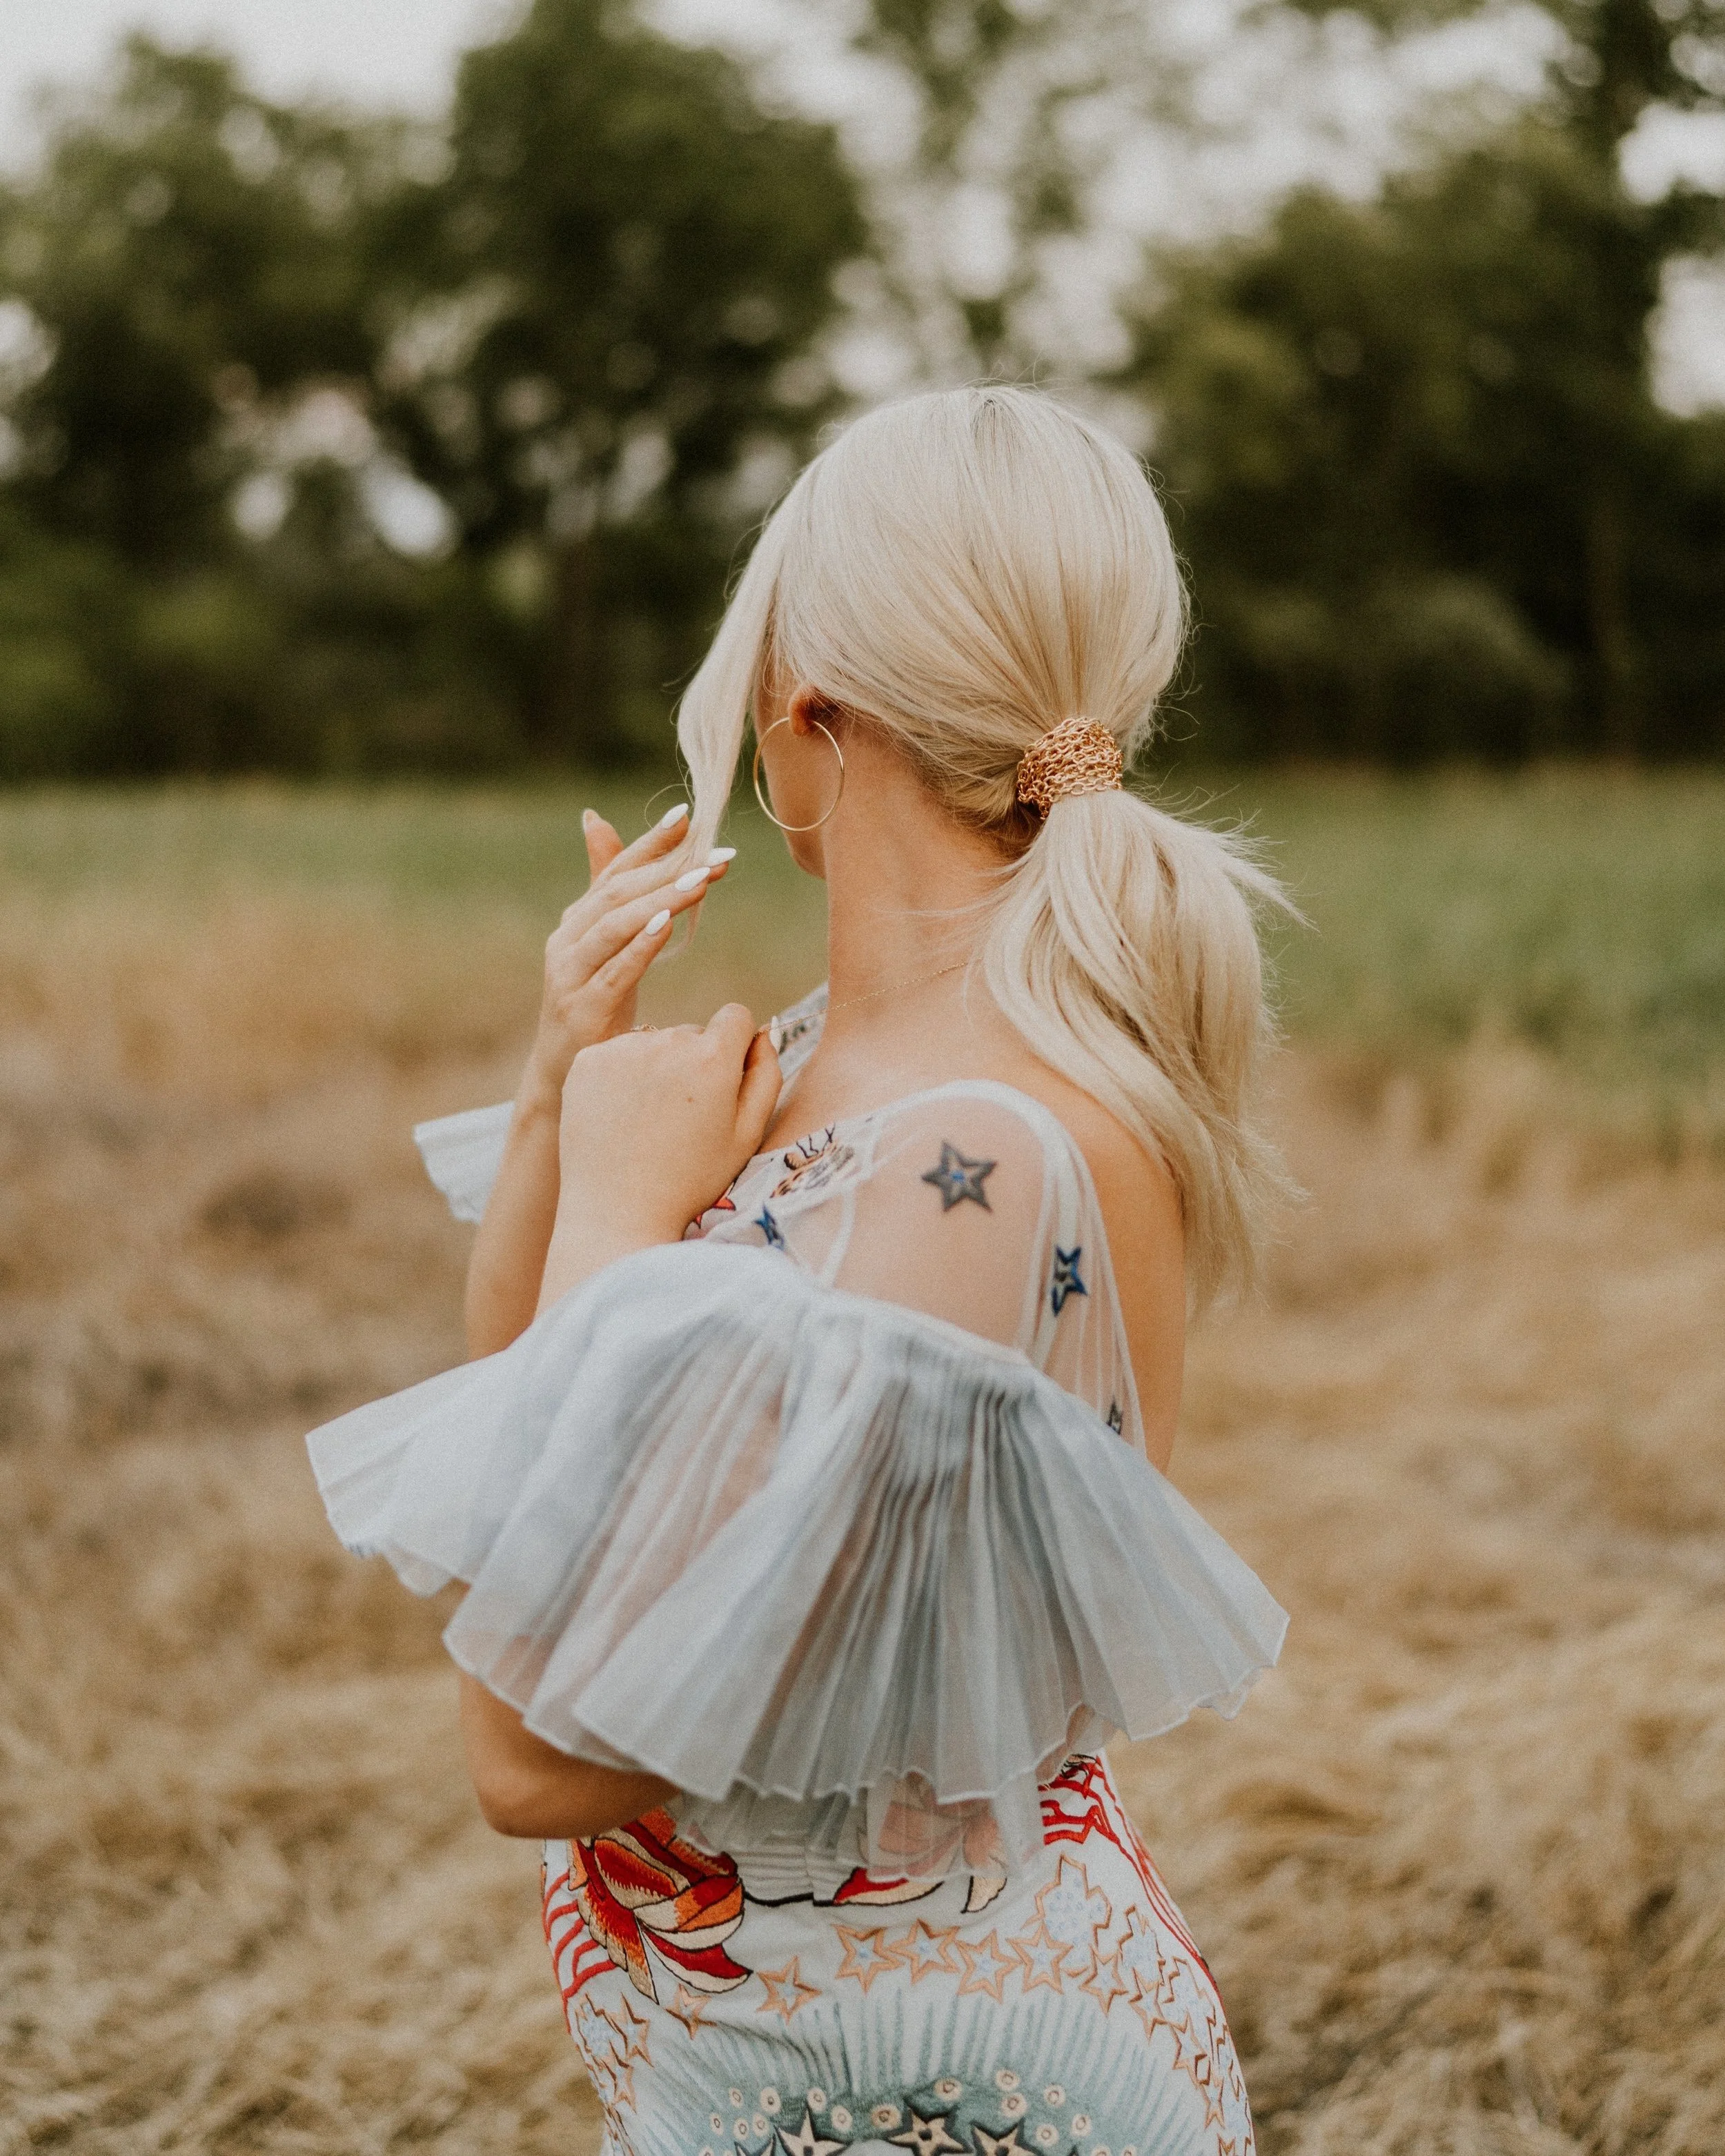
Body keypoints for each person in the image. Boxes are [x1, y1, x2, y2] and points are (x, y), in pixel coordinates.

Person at [308, 386, 1291, 2156]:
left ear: (802, 713)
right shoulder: (838, 1060)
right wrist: (558, 1088)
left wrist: (620, 1217)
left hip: (928, 2096)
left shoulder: (966, 1167)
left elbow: (538, 1751)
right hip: (777, 2076)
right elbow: (514, 1426)